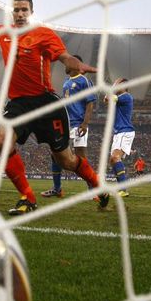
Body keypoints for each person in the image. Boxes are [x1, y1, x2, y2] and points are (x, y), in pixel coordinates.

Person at [0, 0, 109, 215]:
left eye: (24, 10)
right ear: (11, 13)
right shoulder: (4, 33)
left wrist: (76, 63)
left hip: (46, 103)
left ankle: (97, 185)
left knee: (66, 161)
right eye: (16, 10)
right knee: (2, 141)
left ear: (31, 12)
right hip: (19, 104)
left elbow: (64, 57)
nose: (20, 14)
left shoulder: (43, 34)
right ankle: (28, 197)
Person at [41, 55, 97, 198]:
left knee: (81, 157)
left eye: (67, 63)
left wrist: (85, 123)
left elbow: (90, 102)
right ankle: (57, 188)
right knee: (55, 155)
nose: (65, 65)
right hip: (65, 124)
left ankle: (93, 189)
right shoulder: (67, 82)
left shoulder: (84, 80)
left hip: (78, 124)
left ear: (74, 64)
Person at [106, 77, 134, 197]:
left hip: (125, 131)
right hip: (118, 133)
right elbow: (106, 99)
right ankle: (121, 188)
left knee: (116, 158)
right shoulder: (119, 98)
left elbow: (107, 98)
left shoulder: (126, 96)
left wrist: (114, 84)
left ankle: (123, 189)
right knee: (112, 160)